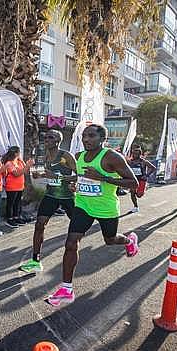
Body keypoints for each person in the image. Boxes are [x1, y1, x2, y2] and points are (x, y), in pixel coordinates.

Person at [46, 124, 140, 307]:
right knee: (71, 242)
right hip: (83, 205)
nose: (86, 139)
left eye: (91, 136)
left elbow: (133, 183)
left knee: (110, 239)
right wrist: (73, 184)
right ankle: (67, 288)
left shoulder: (112, 157)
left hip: (106, 208)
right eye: (84, 136)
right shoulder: (79, 157)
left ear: (102, 139)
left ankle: (129, 241)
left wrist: (103, 178)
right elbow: (80, 177)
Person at [20, 130, 76, 273]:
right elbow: (48, 173)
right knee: (39, 225)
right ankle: (35, 261)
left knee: (77, 228)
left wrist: (58, 177)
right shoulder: (46, 156)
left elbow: (80, 175)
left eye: (50, 137)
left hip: (67, 197)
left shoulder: (66, 156)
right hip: (51, 195)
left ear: (58, 140)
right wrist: (40, 174)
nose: (46, 140)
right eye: (45, 137)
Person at [2, 146, 34, 228]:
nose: (20, 154)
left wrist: (26, 165)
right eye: (19, 152)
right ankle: (9, 218)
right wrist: (27, 166)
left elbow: (25, 170)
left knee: (17, 202)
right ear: (16, 153)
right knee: (11, 203)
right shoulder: (9, 163)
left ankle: (16, 217)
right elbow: (16, 174)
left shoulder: (19, 161)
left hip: (20, 185)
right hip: (11, 186)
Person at [127, 148, 156, 213]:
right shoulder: (129, 161)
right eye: (133, 154)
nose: (135, 155)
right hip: (133, 180)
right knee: (132, 193)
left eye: (137, 154)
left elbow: (153, 168)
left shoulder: (144, 162)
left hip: (142, 180)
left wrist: (147, 175)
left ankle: (142, 190)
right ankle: (135, 207)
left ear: (140, 154)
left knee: (139, 195)